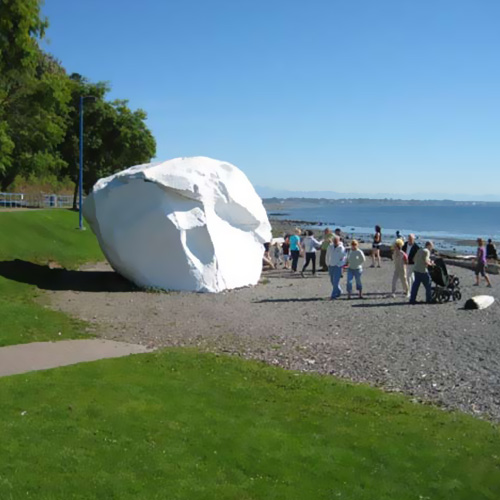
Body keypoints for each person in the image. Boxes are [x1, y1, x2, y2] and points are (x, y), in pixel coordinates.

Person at [326, 235, 346, 300]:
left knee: (336, 281)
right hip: (331, 265)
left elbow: (343, 258)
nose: (335, 242)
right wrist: (327, 263)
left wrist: (339, 264)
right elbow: (327, 255)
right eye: (334, 240)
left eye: (336, 241)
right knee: (332, 281)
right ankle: (339, 291)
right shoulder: (330, 246)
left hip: (338, 266)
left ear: (339, 241)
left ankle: (333, 295)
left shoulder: (341, 248)